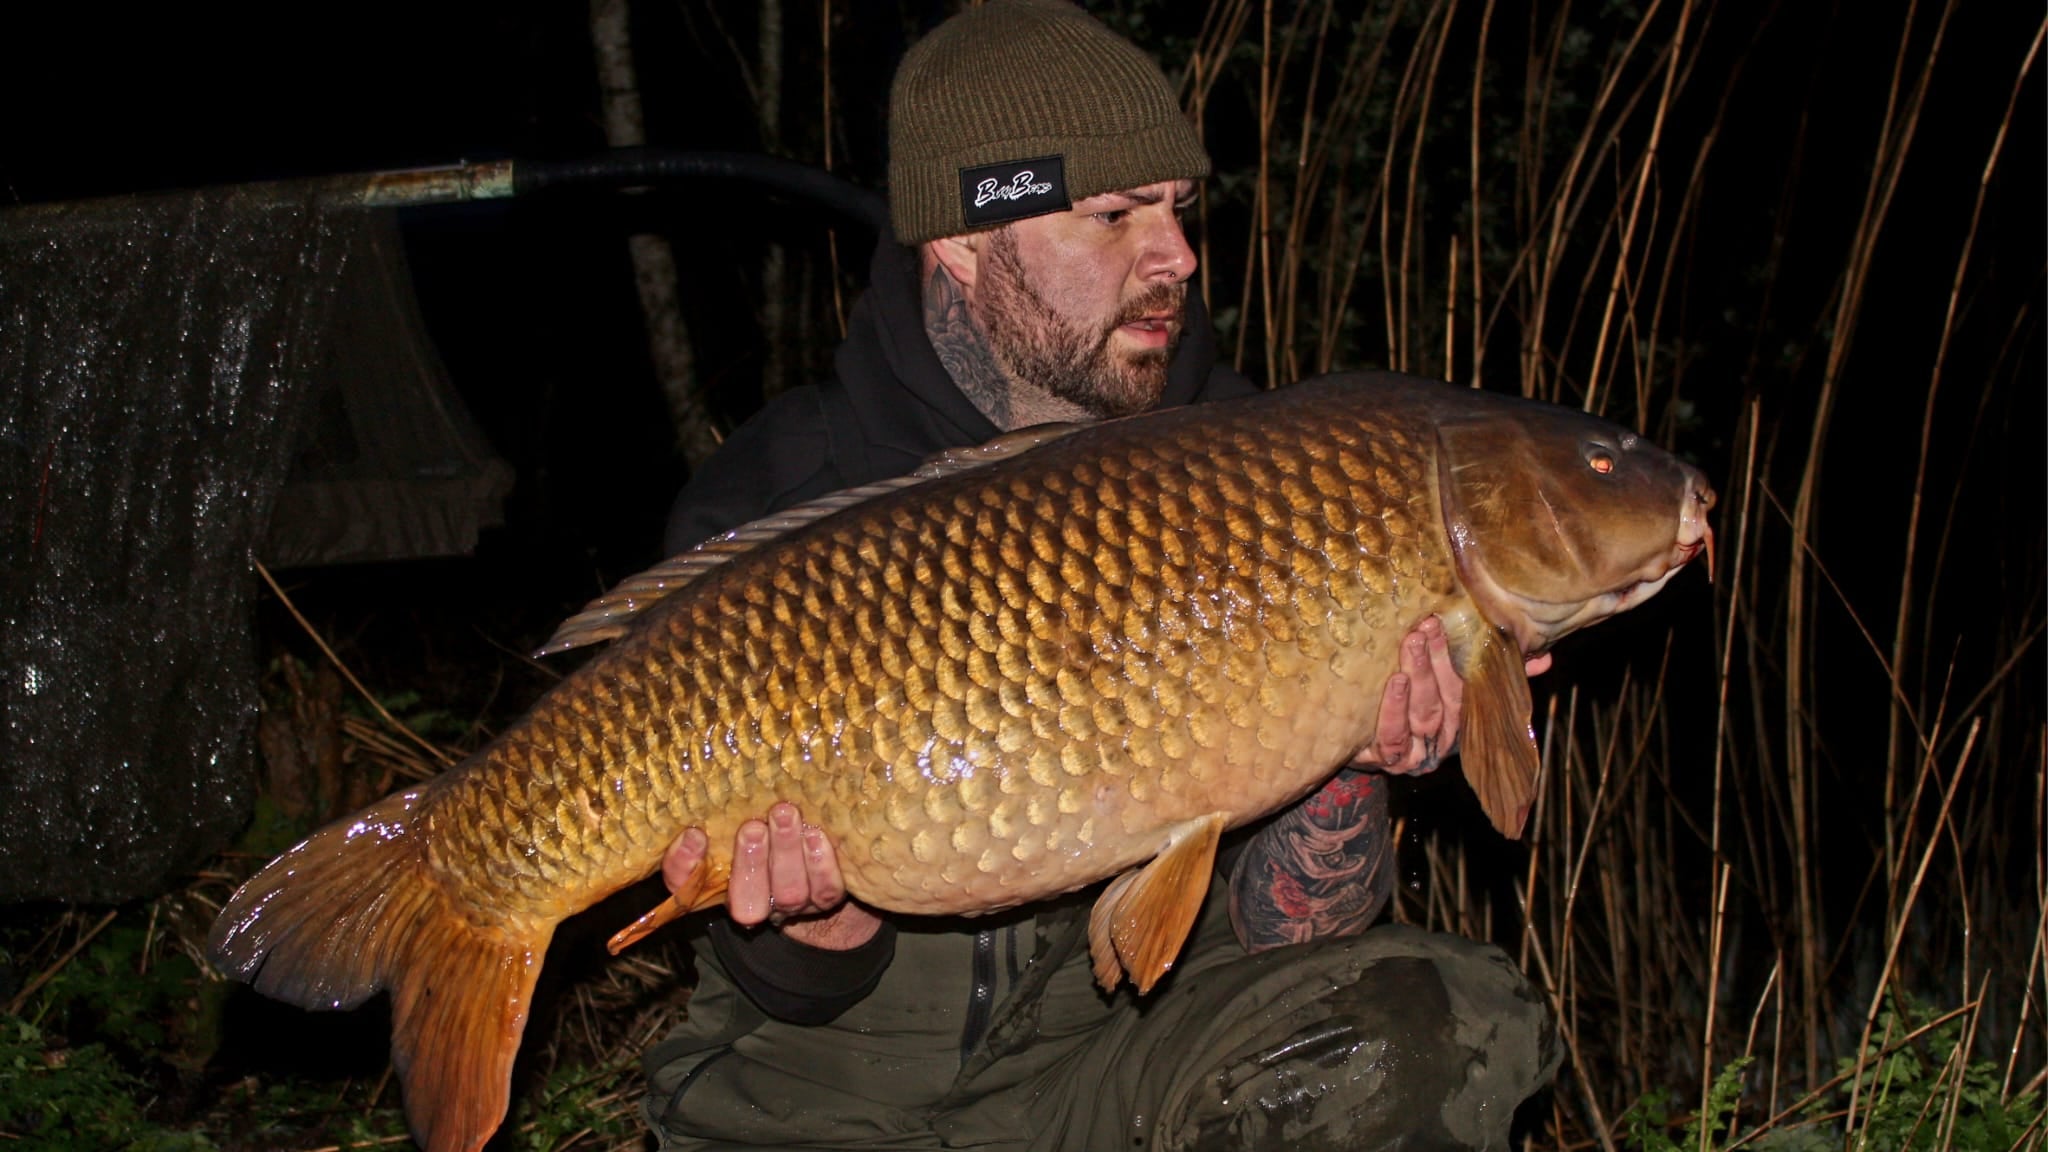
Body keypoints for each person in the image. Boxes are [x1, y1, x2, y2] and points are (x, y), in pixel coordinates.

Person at [641, 2, 1558, 1148]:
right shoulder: (782, 510)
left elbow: (1300, 938)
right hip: (830, 1101)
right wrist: (810, 923)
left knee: (1431, 1031)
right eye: (1113, 216)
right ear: (965, 244)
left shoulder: (1264, 471)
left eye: (1176, 212)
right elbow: (788, 993)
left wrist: (1348, 756)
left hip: (1125, 1066)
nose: (1173, 256)